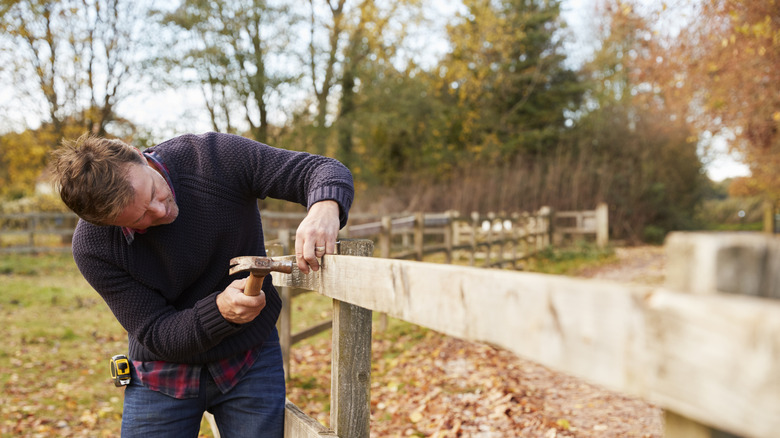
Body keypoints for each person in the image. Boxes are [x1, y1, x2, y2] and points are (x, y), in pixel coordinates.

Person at [49, 132, 354, 437]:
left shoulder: (215, 157)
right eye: (139, 217)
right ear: (106, 224)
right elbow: (156, 331)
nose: (160, 211)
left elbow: (322, 170)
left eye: (154, 192)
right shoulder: (93, 247)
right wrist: (220, 311)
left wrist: (324, 208)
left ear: (137, 154)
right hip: (161, 373)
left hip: (249, 358)